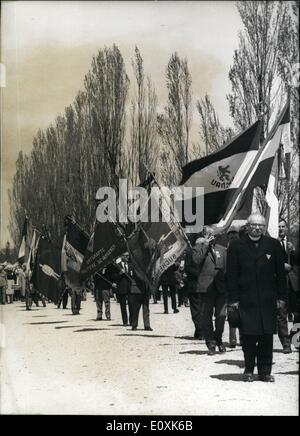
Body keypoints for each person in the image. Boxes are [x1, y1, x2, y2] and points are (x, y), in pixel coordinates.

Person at [227, 213, 287, 382]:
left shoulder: (273, 245)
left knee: (267, 336)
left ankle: (265, 371)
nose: (257, 228)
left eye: (261, 225)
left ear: (264, 227)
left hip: (268, 300)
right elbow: (231, 275)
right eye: (254, 225)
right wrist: (233, 300)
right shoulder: (236, 246)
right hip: (246, 300)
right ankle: (248, 369)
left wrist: (282, 298)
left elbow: (281, 275)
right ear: (247, 226)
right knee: (248, 336)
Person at [192, 226, 227, 355]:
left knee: (222, 315)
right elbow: (196, 260)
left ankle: (218, 338)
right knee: (206, 317)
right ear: (204, 235)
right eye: (208, 234)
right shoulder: (198, 248)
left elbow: (227, 269)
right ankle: (211, 342)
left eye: (213, 234)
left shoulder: (223, 250)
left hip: (221, 287)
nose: (211, 236)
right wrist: (205, 245)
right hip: (205, 288)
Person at [277, 219, 294, 353]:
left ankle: (296, 340)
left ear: (287, 228)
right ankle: (286, 343)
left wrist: (293, 251)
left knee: (297, 314)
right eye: (279, 227)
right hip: (280, 283)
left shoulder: (294, 242)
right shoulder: (271, 243)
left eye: (283, 226)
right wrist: (281, 265)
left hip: (295, 283)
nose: (281, 229)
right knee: (281, 315)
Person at [185, 234, 204, 339]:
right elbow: (187, 268)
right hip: (194, 285)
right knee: (196, 310)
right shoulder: (190, 253)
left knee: (204, 310)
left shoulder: (206, 253)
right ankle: (200, 330)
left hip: (206, 286)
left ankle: (200, 330)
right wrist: (199, 274)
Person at [226, 225, 243, 348]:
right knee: (231, 311)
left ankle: (243, 337)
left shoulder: (243, 248)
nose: (233, 238)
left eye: (235, 236)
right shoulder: (224, 250)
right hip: (229, 285)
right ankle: (232, 338)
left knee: (243, 312)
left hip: (242, 285)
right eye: (231, 237)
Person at [114, 254, 132, 326]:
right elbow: (114, 277)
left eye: (128, 256)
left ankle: (132, 321)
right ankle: (125, 321)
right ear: (121, 256)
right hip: (121, 288)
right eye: (126, 256)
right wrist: (120, 273)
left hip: (130, 288)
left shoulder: (130, 265)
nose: (128, 257)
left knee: (131, 305)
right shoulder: (117, 266)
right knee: (123, 306)